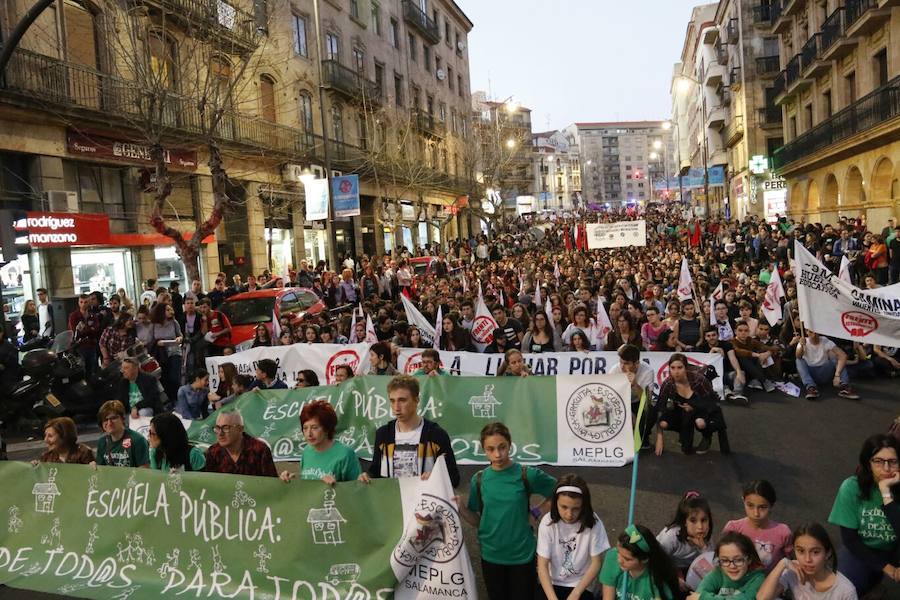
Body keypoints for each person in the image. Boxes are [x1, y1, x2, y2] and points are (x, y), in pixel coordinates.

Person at [460, 422, 557, 600]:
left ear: (510, 445)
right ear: (483, 450)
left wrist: (537, 511)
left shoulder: (527, 474)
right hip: (491, 555)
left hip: (523, 555)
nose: (497, 454)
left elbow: (559, 490)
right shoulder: (479, 480)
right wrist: (461, 509)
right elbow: (478, 521)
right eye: (491, 449)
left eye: (502, 447)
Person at [828, 433, 900, 596]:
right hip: (863, 548)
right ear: (868, 463)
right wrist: (886, 567)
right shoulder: (851, 488)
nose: (886, 468)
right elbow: (850, 539)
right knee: (841, 591)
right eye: (878, 461)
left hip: (896, 550)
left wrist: (886, 493)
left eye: (893, 461)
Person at [361, 375, 460, 486]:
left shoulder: (436, 434)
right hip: (391, 496)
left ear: (416, 400)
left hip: (424, 496)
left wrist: (436, 477)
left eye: (402, 400)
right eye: (392, 401)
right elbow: (375, 471)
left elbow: (454, 478)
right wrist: (367, 476)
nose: (396, 407)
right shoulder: (383, 434)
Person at [536, 474, 610, 600]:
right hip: (551, 583)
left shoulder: (593, 522)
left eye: (576, 508)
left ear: (584, 505)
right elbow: (542, 565)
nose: (569, 514)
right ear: (555, 502)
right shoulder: (547, 522)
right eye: (564, 507)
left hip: (581, 585)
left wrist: (576, 594)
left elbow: (596, 562)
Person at [757, 522, 858, 600]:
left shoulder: (845, 591)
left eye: (815, 552)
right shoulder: (793, 570)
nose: (807, 559)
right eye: (801, 551)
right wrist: (782, 563)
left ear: (828, 553)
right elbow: (762, 598)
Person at [656, 354, 727, 456]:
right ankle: (682, 433)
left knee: (700, 423)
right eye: (673, 368)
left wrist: (694, 406)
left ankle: (707, 437)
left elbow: (713, 402)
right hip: (680, 412)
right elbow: (660, 407)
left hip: (701, 411)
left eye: (680, 367)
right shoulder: (668, 383)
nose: (676, 372)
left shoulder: (699, 380)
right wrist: (659, 437)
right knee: (664, 423)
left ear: (686, 368)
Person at [280, 400, 361, 484]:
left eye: (314, 428)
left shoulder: (345, 454)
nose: (309, 434)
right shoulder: (306, 451)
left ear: (327, 429)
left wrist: (336, 486)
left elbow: (358, 488)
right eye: (305, 428)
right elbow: (306, 483)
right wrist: (292, 480)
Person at [723, 480, 793, 571]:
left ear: (771, 505)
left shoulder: (783, 533)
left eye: (762, 507)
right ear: (743, 501)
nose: (756, 513)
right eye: (750, 505)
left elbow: (790, 563)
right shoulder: (733, 528)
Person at [598, 523, 679, 600]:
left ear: (644, 559)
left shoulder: (658, 577)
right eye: (618, 552)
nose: (619, 560)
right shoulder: (612, 557)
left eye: (627, 559)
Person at [656, 492, 714, 591]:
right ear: (684, 522)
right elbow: (656, 561)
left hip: (690, 568)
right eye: (693, 521)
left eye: (704, 520)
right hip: (669, 567)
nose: (700, 527)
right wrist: (673, 578)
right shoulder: (670, 537)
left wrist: (703, 548)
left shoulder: (707, 536)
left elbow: (712, 565)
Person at [688, 531, 765, 600]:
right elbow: (698, 593)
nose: (732, 566)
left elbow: (746, 598)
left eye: (738, 560)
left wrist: (704, 597)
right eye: (725, 560)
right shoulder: (718, 573)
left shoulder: (757, 579)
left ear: (749, 559)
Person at [204, 410, 277, 476]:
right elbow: (209, 482)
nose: (220, 433)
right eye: (217, 428)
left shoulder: (260, 450)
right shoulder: (213, 452)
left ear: (240, 429)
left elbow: (271, 483)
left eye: (226, 428)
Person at [610, 344, 655, 447]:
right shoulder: (615, 370)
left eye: (626, 363)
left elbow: (647, 400)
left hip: (638, 402)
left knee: (651, 411)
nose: (622, 366)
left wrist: (635, 384)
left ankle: (643, 436)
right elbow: (610, 396)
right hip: (620, 402)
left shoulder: (647, 371)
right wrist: (627, 411)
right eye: (621, 362)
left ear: (636, 363)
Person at [797, 330, 860, 400]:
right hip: (811, 373)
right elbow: (798, 356)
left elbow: (843, 355)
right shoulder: (803, 341)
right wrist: (801, 345)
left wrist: (837, 375)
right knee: (799, 360)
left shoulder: (825, 341)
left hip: (824, 371)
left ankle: (844, 387)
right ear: (806, 332)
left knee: (836, 358)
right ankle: (811, 388)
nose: (813, 334)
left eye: (815, 331)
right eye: (810, 331)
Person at [95, 400, 150, 468]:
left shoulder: (137, 440)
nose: (109, 423)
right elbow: (100, 469)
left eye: (113, 418)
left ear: (123, 419)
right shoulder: (102, 442)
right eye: (105, 420)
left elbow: (144, 468)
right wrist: (94, 467)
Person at [150, 303, 183, 402]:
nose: (170, 312)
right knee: (164, 377)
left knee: (174, 377)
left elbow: (180, 335)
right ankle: (170, 399)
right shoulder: (154, 325)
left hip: (174, 351)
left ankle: (177, 398)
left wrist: (179, 339)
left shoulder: (174, 322)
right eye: (167, 310)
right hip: (161, 354)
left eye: (170, 309)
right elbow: (150, 339)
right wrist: (157, 342)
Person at [68, 293, 102, 378]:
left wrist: (85, 329)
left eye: (85, 302)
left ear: (89, 302)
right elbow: (74, 331)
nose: (83, 304)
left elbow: (96, 330)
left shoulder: (93, 315)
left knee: (92, 370)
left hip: (91, 346)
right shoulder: (73, 316)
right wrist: (89, 329)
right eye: (81, 302)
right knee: (81, 371)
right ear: (78, 302)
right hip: (79, 347)